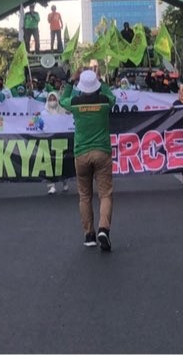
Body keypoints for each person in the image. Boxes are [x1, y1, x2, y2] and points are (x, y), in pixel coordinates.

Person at [59, 69, 115, 251]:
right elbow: (112, 96)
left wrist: (70, 81)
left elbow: (62, 100)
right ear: (97, 84)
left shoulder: (74, 103)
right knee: (105, 194)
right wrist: (102, 80)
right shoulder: (105, 102)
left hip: (81, 153)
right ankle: (103, 229)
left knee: (85, 195)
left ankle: (89, 234)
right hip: (102, 152)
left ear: (80, 85)